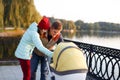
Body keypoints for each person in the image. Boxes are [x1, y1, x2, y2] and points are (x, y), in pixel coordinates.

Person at [15, 16, 53, 80]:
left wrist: (30, 53)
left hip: (23, 54)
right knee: (27, 76)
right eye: (44, 29)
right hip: (23, 56)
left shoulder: (34, 27)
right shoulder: (34, 34)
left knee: (27, 74)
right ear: (41, 28)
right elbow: (40, 47)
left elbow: (30, 44)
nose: (44, 31)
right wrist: (52, 54)